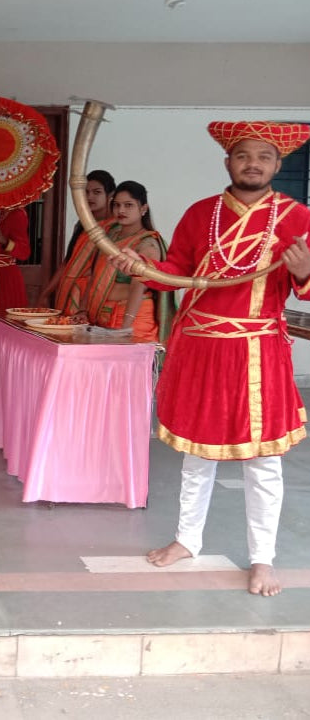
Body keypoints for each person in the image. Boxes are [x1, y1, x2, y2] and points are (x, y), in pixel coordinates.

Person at [110, 121, 310, 596]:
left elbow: (306, 289)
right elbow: (176, 269)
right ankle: (187, 540)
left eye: (263, 157)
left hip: (258, 351)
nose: (253, 164)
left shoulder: (298, 217)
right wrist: (142, 267)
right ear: (227, 162)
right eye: (243, 155)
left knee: (263, 462)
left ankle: (262, 560)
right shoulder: (202, 213)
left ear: (277, 165)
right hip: (201, 347)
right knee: (197, 454)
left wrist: (304, 273)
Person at [84, 180, 172, 341]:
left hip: (132, 319)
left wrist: (126, 327)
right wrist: (83, 311)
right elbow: (94, 276)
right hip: (102, 315)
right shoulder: (110, 236)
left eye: (128, 205)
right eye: (116, 205)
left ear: (143, 209)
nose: (121, 210)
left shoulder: (148, 244)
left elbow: (137, 287)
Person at [37, 170, 115, 313]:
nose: (89, 197)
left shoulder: (114, 229)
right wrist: (46, 293)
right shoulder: (81, 225)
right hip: (67, 292)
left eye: (97, 192)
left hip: (90, 300)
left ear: (110, 196)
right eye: (86, 192)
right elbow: (67, 263)